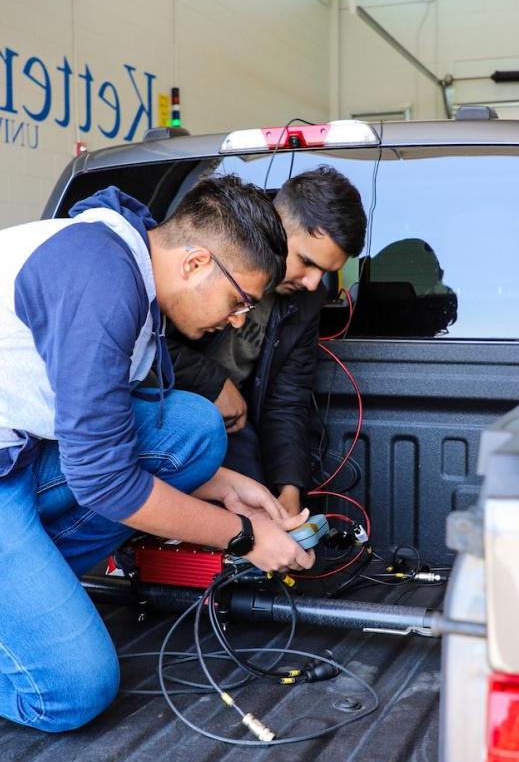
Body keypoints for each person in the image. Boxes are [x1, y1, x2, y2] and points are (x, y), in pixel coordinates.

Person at [0, 176, 316, 733]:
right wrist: (241, 535)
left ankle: (30, 601)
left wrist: (222, 483)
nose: (240, 320)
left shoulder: (130, 262)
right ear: (195, 263)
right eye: (239, 301)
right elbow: (104, 480)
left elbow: (107, 433)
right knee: (74, 690)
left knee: (193, 429)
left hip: (16, 455)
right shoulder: (100, 282)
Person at [168, 167, 367, 516]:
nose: (312, 283)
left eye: (326, 272)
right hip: (170, 418)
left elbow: (287, 398)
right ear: (274, 225)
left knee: (263, 512)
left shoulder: (305, 300)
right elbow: (142, 349)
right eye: (306, 262)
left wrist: (289, 488)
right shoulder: (205, 257)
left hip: (235, 424)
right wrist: (214, 383)